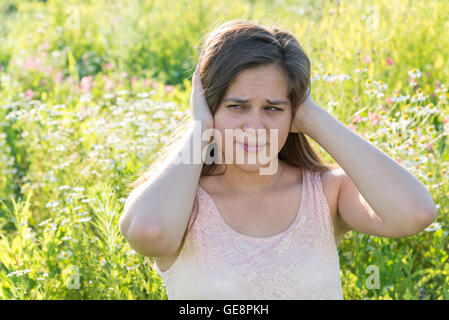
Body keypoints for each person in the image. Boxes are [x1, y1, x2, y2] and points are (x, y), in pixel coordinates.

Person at [119, 19, 437, 300]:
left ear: (293, 113)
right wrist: (199, 128)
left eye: (273, 108)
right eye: (237, 106)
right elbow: (149, 233)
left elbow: (415, 213)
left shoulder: (327, 192)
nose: (255, 126)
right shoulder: (180, 201)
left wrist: (312, 117)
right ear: (209, 108)